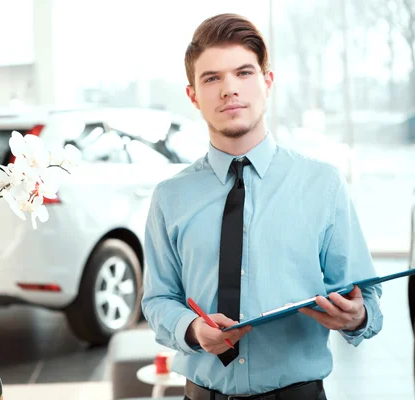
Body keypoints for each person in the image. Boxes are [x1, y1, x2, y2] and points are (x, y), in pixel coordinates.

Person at [141, 13, 383, 400]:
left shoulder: (323, 185)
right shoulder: (170, 197)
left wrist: (357, 317)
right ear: (193, 95)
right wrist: (193, 330)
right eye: (212, 78)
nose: (229, 89)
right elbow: (157, 299)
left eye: (244, 73)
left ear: (267, 82)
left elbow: (365, 300)